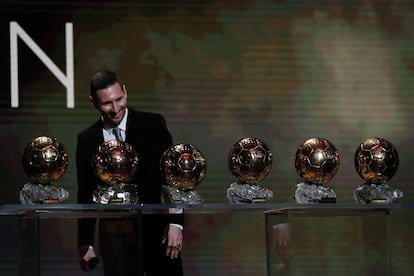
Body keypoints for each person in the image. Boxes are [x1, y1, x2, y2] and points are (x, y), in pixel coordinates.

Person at [76, 70, 184, 276]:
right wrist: (85, 243)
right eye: (107, 103)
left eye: (119, 99)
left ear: (125, 91)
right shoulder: (87, 139)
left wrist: (176, 222)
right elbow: (86, 192)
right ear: (93, 103)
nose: (116, 109)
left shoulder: (152, 125)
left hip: (157, 231)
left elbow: (172, 176)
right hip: (116, 236)